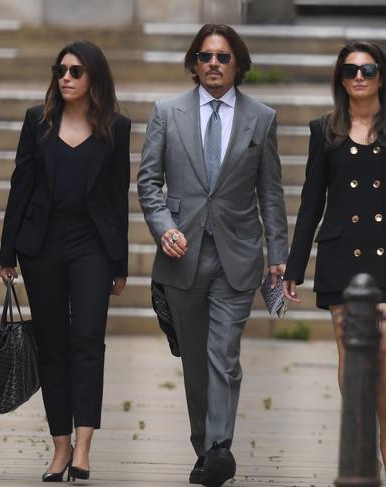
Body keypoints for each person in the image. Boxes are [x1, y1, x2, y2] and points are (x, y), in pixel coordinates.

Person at [137, 24, 288, 487]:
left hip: (237, 256)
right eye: (205, 57)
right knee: (197, 361)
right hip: (183, 256)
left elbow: (271, 192)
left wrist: (278, 254)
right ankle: (205, 446)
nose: (214, 65)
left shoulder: (261, 117)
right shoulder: (167, 112)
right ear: (194, 63)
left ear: (238, 65)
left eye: (223, 57)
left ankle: (220, 448)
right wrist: (164, 230)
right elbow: (148, 183)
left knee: (224, 355)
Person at [0, 40, 130, 482]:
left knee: (88, 340)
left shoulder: (117, 126)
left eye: (76, 71)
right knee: (52, 344)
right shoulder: (39, 121)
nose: (66, 78)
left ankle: (84, 447)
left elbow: (117, 197)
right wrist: (7, 252)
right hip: (42, 244)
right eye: (61, 70)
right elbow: (21, 185)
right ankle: (60, 447)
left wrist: (120, 262)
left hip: (92, 245)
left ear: (94, 77)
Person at [283, 41, 386, 467]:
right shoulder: (323, 129)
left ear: (381, 74)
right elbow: (311, 203)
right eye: (350, 70)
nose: (359, 76)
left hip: (383, 255)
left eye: (367, 68)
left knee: (381, 349)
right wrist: (294, 266)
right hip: (341, 251)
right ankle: (362, 445)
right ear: (340, 79)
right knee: (349, 352)